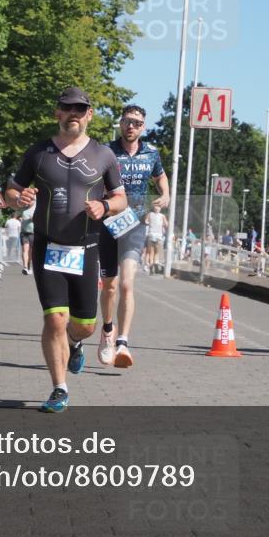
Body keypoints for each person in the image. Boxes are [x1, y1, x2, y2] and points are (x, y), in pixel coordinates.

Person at [5, 87, 126, 413]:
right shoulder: (39, 152)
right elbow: (11, 193)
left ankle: (75, 345)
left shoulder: (104, 155)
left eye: (80, 108)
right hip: (48, 247)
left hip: (86, 249)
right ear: (57, 112)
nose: (73, 112)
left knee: (85, 325)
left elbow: (121, 198)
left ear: (88, 115)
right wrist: (19, 199)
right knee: (55, 320)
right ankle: (59, 388)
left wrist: (105, 206)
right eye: (67, 107)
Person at [98, 104, 169, 369]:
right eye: (128, 121)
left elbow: (162, 178)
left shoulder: (151, 153)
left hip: (135, 225)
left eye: (137, 123)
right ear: (120, 123)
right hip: (108, 224)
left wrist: (166, 195)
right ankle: (107, 331)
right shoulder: (105, 151)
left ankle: (123, 343)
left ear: (143, 127)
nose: (131, 126)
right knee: (110, 286)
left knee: (127, 284)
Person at [143, 202, 167, 275]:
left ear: (160, 208)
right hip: (152, 234)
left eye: (158, 207)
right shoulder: (151, 214)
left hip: (157, 234)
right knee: (152, 251)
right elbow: (146, 221)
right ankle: (152, 264)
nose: (157, 208)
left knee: (155, 251)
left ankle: (154, 264)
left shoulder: (162, 216)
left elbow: (166, 224)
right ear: (154, 207)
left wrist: (163, 224)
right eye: (156, 207)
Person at [20, 201, 36, 275]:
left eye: (31, 200)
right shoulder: (24, 211)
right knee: (25, 250)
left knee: (31, 252)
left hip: (33, 234)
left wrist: (34, 218)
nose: (29, 202)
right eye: (28, 201)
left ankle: (28, 266)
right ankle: (25, 267)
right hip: (24, 233)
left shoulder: (36, 209)